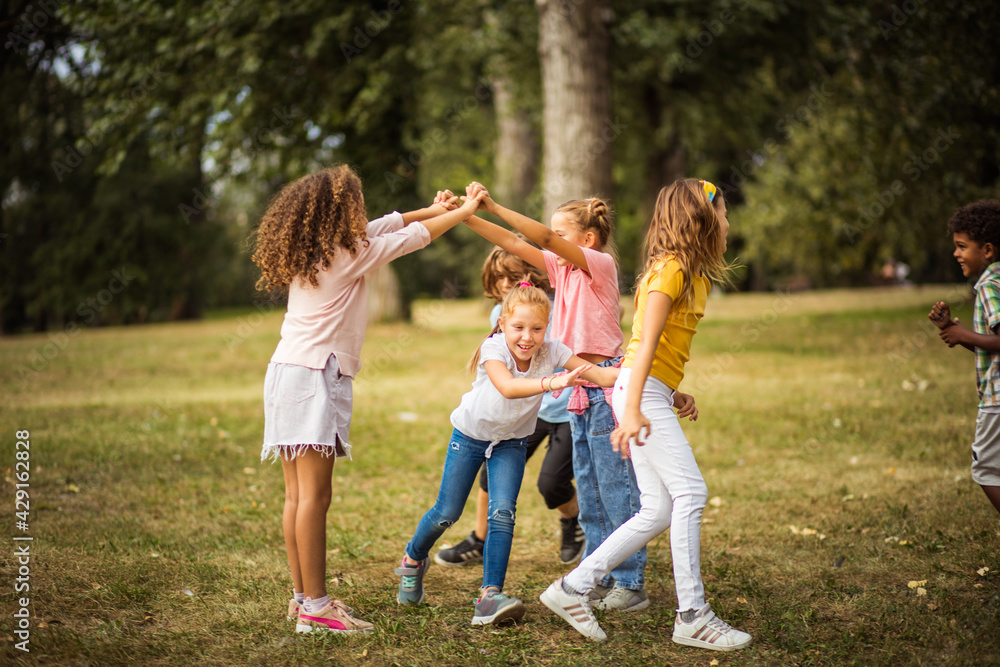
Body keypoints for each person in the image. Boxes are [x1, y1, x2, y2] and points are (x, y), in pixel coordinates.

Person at [251, 165, 484, 634]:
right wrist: (464, 212)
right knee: (315, 497)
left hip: (286, 372)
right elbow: (413, 237)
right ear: (341, 212)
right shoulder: (346, 254)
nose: (363, 214)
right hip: (315, 375)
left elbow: (394, 222)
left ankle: (302, 600)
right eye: (355, 205)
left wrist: (440, 208)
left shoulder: (320, 251)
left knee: (298, 496)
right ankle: (316, 607)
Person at [539, 178, 753, 651]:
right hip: (637, 392)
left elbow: (652, 354)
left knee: (657, 508)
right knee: (691, 493)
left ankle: (572, 588)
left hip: (647, 390)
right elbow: (644, 343)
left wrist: (668, 391)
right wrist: (633, 406)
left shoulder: (689, 271)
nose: (728, 221)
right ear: (699, 217)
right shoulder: (671, 269)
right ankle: (693, 615)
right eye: (722, 212)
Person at [459, 182, 648, 612]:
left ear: (587, 240)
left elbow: (539, 238)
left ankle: (630, 582)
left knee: (616, 489)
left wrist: (494, 203)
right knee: (593, 493)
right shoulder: (560, 270)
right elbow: (511, 241)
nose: (551, 238)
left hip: (603, 389)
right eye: (554, 234)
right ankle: (598, 572)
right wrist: (468, 214)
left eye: (561, 233)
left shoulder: (598, 265)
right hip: (579, 391)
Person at [395, 282, 619, 626]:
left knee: (502, 514)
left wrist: (663, 383)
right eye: (518, 327)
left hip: (511, 442)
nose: (527, 337)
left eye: (537, 328)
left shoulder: (554, 351)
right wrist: (551, 384)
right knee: (446, 512)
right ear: (502, 324)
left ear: (548, 327)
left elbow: (603, 375)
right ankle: (412, 560)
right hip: (470, 437)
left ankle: (490, 596)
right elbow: (508, 387)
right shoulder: (493, 348)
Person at [434, 246, 585, 568]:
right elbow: (503, 376)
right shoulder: (501, 317)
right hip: (529, 409)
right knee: (491, 476)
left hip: (566, 409)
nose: (504, 283)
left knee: (552, 484)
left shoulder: (557, 309)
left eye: (511, 276)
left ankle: (574, 521)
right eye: (498, 277)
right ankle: (479, 539)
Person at [929, 199, 1000, 515]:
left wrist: (963, 335)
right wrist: (956, 332)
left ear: (987, 250)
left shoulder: (989, 285)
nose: (956, 254)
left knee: (985, 469)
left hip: (997, 401)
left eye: (962, 246)